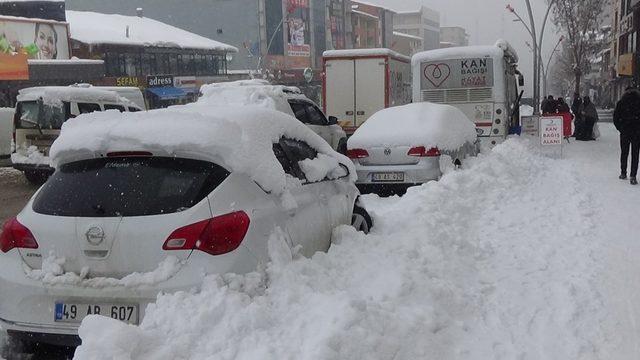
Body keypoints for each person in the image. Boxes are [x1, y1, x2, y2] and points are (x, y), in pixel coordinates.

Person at [613, 87, 640, 185]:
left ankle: (623, 172)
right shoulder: (638, 101)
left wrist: (620, 127)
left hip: (625, 131)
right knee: (635, 154)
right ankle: (633, 176)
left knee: (624, 152)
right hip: (637, 132)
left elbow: (616, 117)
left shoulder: (621, 102)